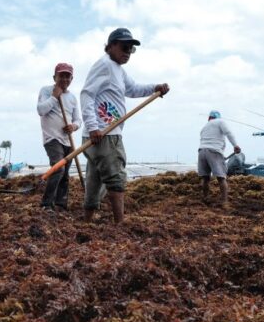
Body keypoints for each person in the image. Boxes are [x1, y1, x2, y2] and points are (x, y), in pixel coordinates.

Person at [80, 27, 170, 222]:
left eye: (131, 49)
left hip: (101, 133)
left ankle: (87, 220)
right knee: (116, 177)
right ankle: (120, 222)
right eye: (124, 47)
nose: (128, 52)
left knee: (94, 180)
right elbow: (87, 94)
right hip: (105, 133)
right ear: (111, 46)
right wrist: (94, 126)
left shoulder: (118, 69)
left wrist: (155, 88)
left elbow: (133, 89)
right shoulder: (104, 64)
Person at [37, 62, 82, 211]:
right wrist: (54, 97)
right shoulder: (46, 91)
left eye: (67, 76)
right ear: (54, 77)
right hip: (52, 138)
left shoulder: (72, 98)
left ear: (71, 79)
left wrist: (73, 126)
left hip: (67, 141)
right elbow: (41, 110)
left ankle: (61, 204)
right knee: (58, 169)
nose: (64, 79)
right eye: (61, 75)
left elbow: (78, 120)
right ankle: (46, 204)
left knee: (65, 174)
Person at [198, 110, 241, 207]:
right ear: (218, 117)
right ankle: (225, 202)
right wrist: (235, 145)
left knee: (205, 178)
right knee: (221, 178)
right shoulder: (220, 122)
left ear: (209, 118)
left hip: (201, 151)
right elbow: (228, 133)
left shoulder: (204, 127)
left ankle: (205, 198)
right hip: (214, 151)